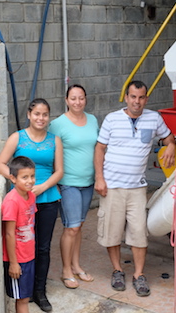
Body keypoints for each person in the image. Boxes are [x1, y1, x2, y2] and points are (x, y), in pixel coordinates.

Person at [94, 80, 176, 297]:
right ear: (126, 97)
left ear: (146, 99)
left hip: (138, 188)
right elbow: (100, 149)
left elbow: (169, 138)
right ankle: (117, 270)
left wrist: (171, 145)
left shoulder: (154, 118)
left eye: (141, 97)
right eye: (133, 97)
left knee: (139, 233)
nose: (136, 102)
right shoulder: (112, 119)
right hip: (112, 186)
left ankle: (139, 274)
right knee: (112, 232)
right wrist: (100, 179)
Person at [0, 98, 63, 312]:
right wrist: (17, 180)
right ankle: (24, 290)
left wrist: (42, 187)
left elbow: (59, 171)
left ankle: (39, 292)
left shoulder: (55, 140)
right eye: (37, 114)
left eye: (45, 114)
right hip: (21, 202)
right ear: (29, 115)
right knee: (23, 244)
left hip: (47, 199)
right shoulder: (17, 137)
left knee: (42, 248)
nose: (41, 118)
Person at [49, 85, 99, 289]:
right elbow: (51, 153)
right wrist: (54, 182)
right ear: (66, 100)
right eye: (73, 98)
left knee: (79, 226)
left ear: (85, 99)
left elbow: (98, 148)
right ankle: (66, 270)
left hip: (88, 182)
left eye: (81, 98)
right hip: (68, 182)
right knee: (71, 227)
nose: (77, 102)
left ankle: (76, 266)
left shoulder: (93, 120)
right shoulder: (57, 124)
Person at [1, 156, 37, 313]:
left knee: (25, 297)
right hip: (17, 259)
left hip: (29, 255)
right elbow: (9, 234)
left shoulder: (31, 196)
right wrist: (13, 263)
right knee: (21, 299)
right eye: (25, 177)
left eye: (32, 176)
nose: (30, 181)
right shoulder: (12, 201)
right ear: (13, 178)